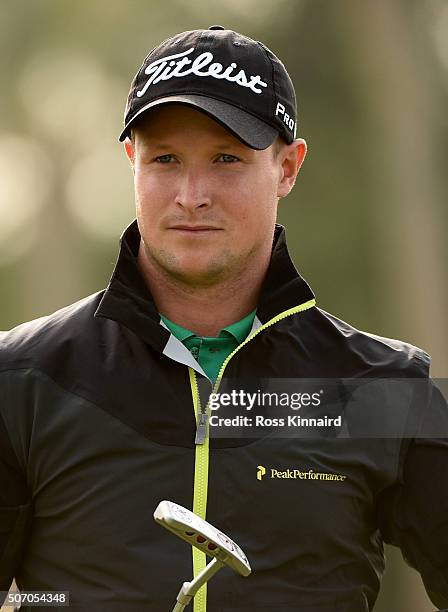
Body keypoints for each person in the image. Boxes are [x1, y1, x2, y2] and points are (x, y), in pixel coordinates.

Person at [0, 25, 447, 612]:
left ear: (287, 168)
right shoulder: (21, 377)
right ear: (131, 161)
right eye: (165, 158)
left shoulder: (385, 387)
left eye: (226, 159)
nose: (192, 194)